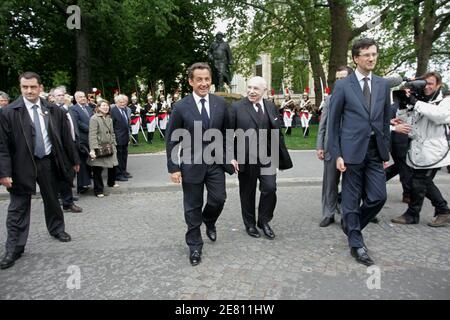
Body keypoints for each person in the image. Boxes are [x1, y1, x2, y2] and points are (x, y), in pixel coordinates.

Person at [0, 72, 80, 270]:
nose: (29, 91)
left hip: (48, 162)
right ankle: (14, 248)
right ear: (20, 88)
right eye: (25, 87)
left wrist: (74, 161)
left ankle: (57, 230)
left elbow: (66, 139)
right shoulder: (9, 112)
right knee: (18, 207)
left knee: (53, 200)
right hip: (21, 166)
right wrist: (4, 172)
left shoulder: (54, 110)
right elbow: (2, 146)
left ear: (40, 87)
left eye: (33, 87)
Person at [328, 38, 391, 266]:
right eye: (366, 55)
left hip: (375, 152)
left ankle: (350, 225)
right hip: (351, 152)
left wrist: (386, 151)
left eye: (374, 54)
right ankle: (357, 244)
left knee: (378, 197)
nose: (371, 58)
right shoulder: (343, 85)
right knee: (351, 201)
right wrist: (337, 154)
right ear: (356, 58)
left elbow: (384, 122)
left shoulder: (383, 85)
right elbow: (333, 124)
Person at [165, 62, 234, 266]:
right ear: (191, 82)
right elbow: (171, 139)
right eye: (199, 80)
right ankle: (195, 246)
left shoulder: (220, 104)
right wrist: (174, 167)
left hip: (215, 163)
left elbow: (228, 134)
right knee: (192, 207)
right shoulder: (180, 107)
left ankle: (209, 220)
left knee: (219, 198)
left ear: (211, 80)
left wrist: (230, 155)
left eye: (207, 79)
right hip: (190, 164)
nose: (204, 83)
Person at [229, 76, 293, 240]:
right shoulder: (236, 107)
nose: (251, 91)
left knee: (270, 188)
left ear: (264, 90)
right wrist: (231, 156)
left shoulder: (270, 106)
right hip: (246, 158)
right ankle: (249, 223)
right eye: (249, 87)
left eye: (256, 88)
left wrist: (280, 158)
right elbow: (228, 134)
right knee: (247, 192)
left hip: (268, 157)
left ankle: (264, 221)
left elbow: (276, 133)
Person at [391, 71, 450, 227]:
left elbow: (440, 116)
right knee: (423, 182)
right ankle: (442, 210)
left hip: (434, 150)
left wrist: (415, 102)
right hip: (419, 150)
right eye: (425, 83)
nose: (427, 87)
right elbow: (408, 124)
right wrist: (404, 106)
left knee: (419, 182)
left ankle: (414, 214)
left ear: (439, 85)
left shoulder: (444, 102)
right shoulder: (420, 102)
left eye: (430, 84)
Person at [316, 66, 353, 227]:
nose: (339, 81)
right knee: (330, 183)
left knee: (349, 184)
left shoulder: (358, 98)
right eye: (337, 78)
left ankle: (347, 214)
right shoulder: (330, 99)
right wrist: (319, 146)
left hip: (351, 148)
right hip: (331, 147)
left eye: (343, 78)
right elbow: (323, 124)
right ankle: (328, 213)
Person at [51, 86, 82, 213]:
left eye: (62, 95)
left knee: (70, 174)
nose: (61, 97)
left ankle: (67, 198)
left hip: (72, 143)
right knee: (64, 175)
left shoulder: (68, 109)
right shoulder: (53, 111)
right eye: (58, 95)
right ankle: (66, 201)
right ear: (53, 97)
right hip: (61, 148)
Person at [88, 100, 118, 197]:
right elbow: (92, 134)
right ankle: (98, 190)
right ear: (99, 107)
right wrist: (93, 149)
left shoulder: (109, 118)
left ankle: (111, 182)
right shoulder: (94, 118)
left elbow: (112, 132)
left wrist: (114, 142)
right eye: (103, 106)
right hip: (99, 147)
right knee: (97, 169)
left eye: (107, 106)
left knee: (113, 165)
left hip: (110, 146)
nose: (106, 107)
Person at [71, 90, 93, 194]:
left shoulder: (89, 108)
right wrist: (90, 128)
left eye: (84, 96)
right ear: (76, 99)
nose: (83, 98)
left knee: (89, 161)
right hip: (81, 139)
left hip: (90, 138)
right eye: (80, 97)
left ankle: (87, 182)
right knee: (82, 163)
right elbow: (78, 123)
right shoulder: (73, 109)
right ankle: (81, 186)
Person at [110, 94, 132, 182]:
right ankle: (118, 174)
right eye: (121, 102)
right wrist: (113, 138)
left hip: (125, 137)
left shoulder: (125, 110)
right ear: (116, 102)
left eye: (124, 102)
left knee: (124, 156)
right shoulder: (113, 111)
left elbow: (126, 124)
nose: (123, 104)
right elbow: (111, 126)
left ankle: (123, 171)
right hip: (118, 138)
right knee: (118, 156)